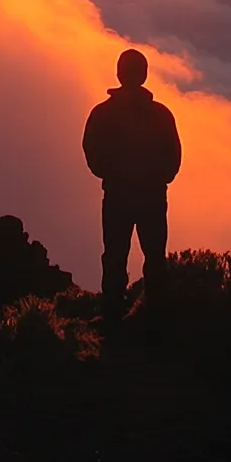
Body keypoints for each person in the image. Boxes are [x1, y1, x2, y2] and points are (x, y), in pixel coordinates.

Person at [82, 48, 182, 324]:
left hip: (118, 195)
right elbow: (173, 154)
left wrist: (110, 174)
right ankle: (156, 314)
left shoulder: (102, 113)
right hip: (151, 196)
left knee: (115, 255)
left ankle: (113, 314)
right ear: (145, 74)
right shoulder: (160, 113)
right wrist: (160, 178)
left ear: (119, 73)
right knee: (154, 256)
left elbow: (91, 149)